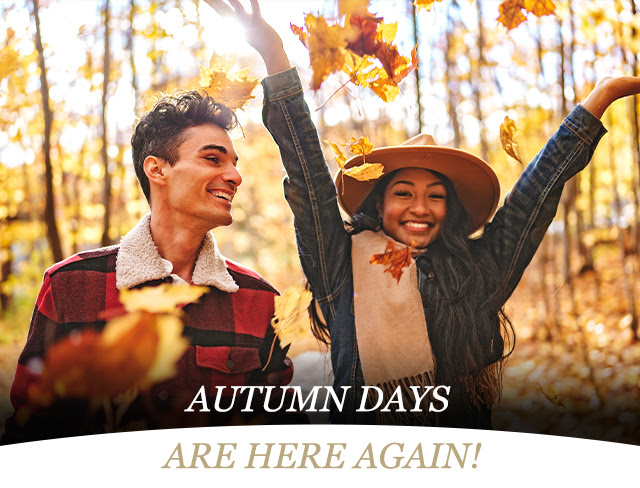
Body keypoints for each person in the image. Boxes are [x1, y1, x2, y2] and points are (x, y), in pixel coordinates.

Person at [211, 0, 640, 426]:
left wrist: (599, 98)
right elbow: (307, 179)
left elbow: (535, 196)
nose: (420, 207)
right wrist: (275, 57)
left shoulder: (480, 270)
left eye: (436, 196)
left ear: (449, 209)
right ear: (379, 204)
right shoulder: (341, 267)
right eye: (403, 192)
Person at [2, 87, 298, 443]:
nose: (235, 176)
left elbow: (282, 437)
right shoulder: (71, 285)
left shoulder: (262, 300)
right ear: (157, 170)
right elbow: (32, 431)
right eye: (214, 159)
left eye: (235, 164)